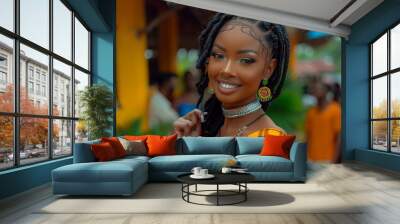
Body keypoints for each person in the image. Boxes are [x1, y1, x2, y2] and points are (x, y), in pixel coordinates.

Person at [173, 13, 290, 137]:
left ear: (268, 69)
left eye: (245, 60)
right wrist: (188, 146)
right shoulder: (208, 129)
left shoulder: (270, 139)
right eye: (219, 56)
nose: (226, 70)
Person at [305, 82, 341, 163]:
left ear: (327, 91)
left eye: (319, 88)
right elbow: (308, 136)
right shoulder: (311, 112)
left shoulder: (336, 109)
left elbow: (339, 137)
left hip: (328, 159)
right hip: (310, 159)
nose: (316, 91)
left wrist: (334, 160)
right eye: (314, 89)